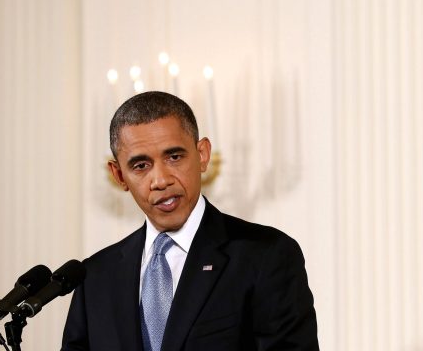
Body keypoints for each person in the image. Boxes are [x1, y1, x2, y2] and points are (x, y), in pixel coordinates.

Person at [61, 91, 318, 350]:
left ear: (203, 154)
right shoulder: (95, 277)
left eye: (174, 157)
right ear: (119, 175)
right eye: (141, 166)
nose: (161, 180)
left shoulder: (266, 255)